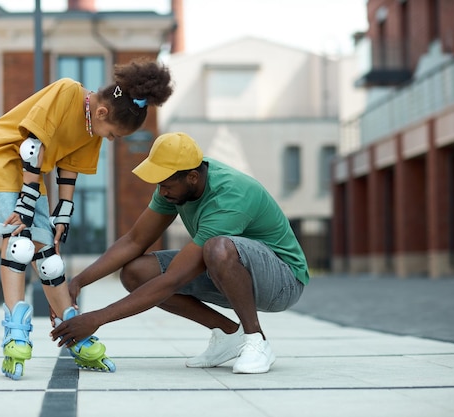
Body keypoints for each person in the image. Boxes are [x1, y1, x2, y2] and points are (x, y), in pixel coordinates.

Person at [0, 58, 173, 379]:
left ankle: (70, 327)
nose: (109, 139)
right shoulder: (67, 92)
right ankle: (15, 332)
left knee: (49, 258)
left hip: (31, 176)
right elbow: (32, 147)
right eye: (113, 134)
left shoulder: (93, 124)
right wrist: (25, 203)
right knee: (19, 245)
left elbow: (69, 168)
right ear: (103, 112)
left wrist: (62, 213)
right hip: (0, 158)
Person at [51, 132, 310, 374]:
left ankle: (256, 340)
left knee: (217, 249)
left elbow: (173, 279)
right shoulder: (178, 186)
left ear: (192, 178)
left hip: (282, 282)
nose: (161, 191)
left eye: (166, 185)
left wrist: (97, 318)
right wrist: (78, 282)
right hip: (233, 270)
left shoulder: (230, 195)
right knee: (136, 273)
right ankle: (230, 335)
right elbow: (134, 240)